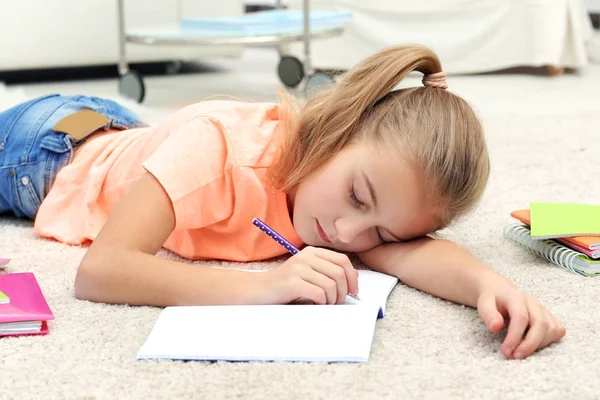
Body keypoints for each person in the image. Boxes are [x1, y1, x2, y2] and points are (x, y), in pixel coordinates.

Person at [0, 45, 565, 359]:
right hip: (45, 152)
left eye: (383, 234)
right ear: (336, 126)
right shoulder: (217, 148)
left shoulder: (354, 207)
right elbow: (101, 272)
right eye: (356, 196)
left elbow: (417, 253)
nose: (347, 233)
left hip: (121, 130)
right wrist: (264, 286)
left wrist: (496, 288)